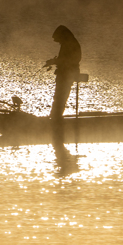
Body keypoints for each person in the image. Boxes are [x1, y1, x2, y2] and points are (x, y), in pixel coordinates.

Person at [44, 25, 81, 161]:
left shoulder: (70, 43)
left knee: (59, 99)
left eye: (58, 40)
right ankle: (55, 119)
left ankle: (55, 122)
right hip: (65, 75)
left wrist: (55, 61)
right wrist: (55, 62)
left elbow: (69, 60)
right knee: (59, 99)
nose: (58, 42)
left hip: (66, 76)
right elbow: (65, 60)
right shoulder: (68, 42)